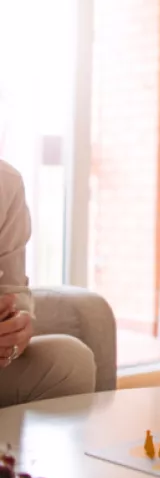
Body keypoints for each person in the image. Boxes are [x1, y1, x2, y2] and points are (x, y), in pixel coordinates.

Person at [0, 159, 96, 407]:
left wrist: (14, 332)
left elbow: (13, 293)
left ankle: (9, 446)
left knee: (70, 361)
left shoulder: (6, 181)